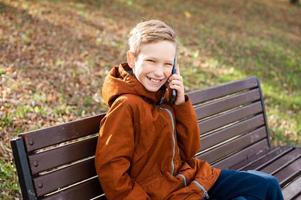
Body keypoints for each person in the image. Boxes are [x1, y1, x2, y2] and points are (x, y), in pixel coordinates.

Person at [95, 19, 284, 200]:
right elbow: (112, 169)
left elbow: (190, 150)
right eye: (151, 61)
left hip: (194, 178)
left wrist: (180, 105)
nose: (160, 72)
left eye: (167, 64)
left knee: (267, 185)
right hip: (167, 194)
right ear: (132, 59)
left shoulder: (166, 98)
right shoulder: (126, 106)